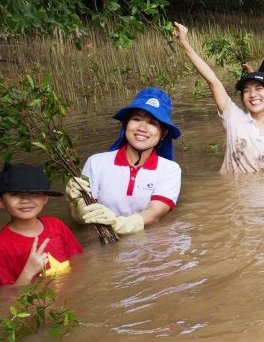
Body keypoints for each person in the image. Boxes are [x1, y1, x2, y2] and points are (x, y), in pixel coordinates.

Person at [174, 22, 264, 172]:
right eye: (246, 90)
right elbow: (213, 81)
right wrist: (184, 42)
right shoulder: (234, 118)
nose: (253, 95)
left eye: (258, 89)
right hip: (230, 194)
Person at [66, 87, 183, 236]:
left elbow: (155, 213)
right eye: (136, 119)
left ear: (163, 133)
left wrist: (121, 224)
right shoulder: (96, 163)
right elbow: (82, 218)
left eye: (153, 123)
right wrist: (75, 203)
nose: (142, 128)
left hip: (150, 244)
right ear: (125, 124)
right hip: (103, 242)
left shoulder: (169, 169)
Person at [0, 163, 83, 286]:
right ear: (0, 202)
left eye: (34, 193)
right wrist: (28, 273)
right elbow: (6, 298)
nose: (26, 200)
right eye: (15, 194)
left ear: (45, 198)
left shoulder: (56, 225)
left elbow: (78, 261)